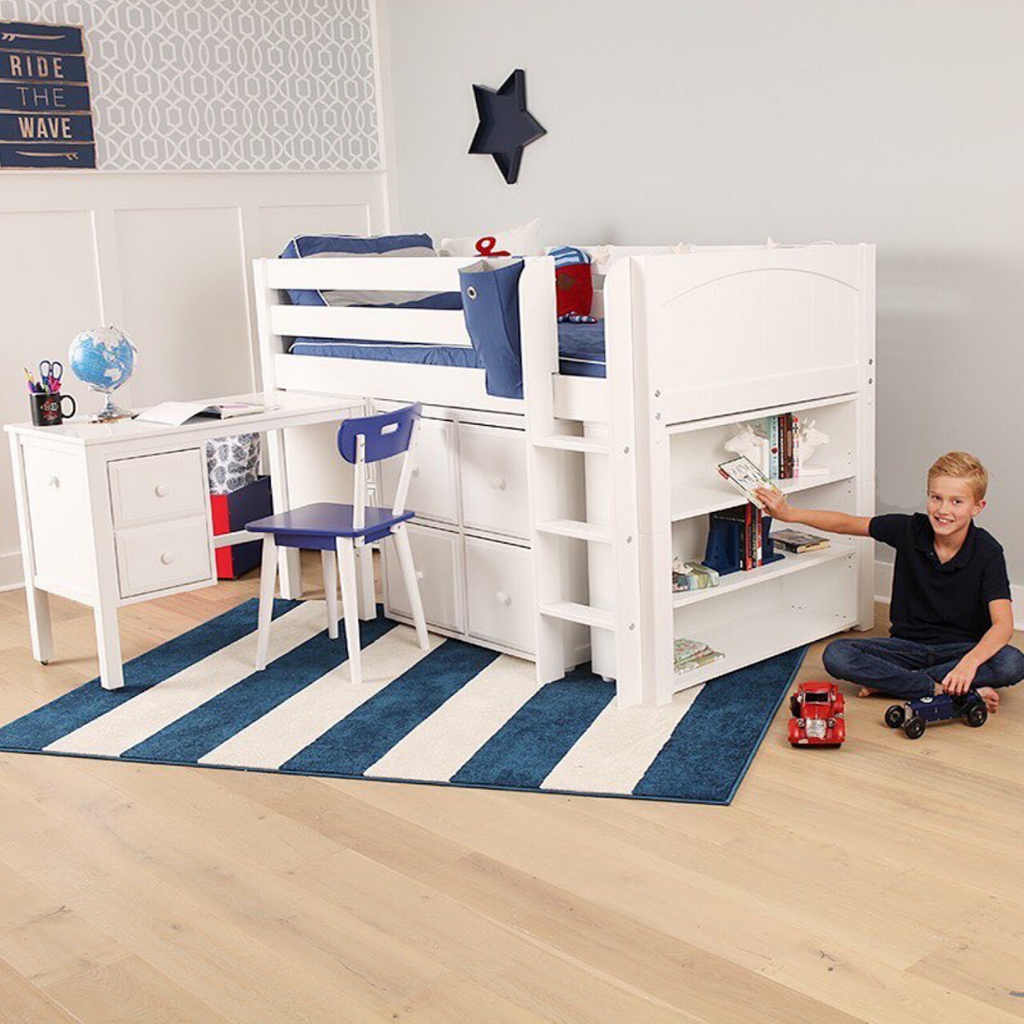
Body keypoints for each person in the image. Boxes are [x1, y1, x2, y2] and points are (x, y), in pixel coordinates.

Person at [755, 451, 1024, 713]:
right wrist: (789, 514)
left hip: (960, 650)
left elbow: (1003, 625)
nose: (943, 510)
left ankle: (895, 683)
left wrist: (969, 663)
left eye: (957, 502)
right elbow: (846, 523)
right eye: (936, 498)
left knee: (1012, 662)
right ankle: (940, 688)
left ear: (978, 507)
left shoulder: (988, 551)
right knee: (837, 654)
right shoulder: (908, 530)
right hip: (905, 647)